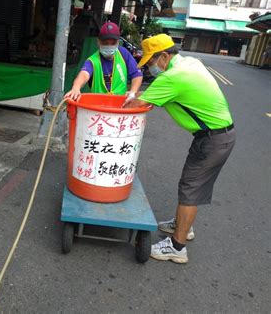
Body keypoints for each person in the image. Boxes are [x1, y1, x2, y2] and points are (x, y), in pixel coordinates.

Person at [125, 34, 236, 264]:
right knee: (190, 184)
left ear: (165, 56)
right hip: (218, 135)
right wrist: (146, 97)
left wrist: (133, 96)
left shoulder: (172, 78)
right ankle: (182, 226)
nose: (150, 69)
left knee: (190, 189)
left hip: (212, 139)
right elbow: (162, 97)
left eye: (152, 62)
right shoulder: (190, 63)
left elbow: (139, 104)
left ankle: (177, 246)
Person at [64, 21, 143, 102]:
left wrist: (133, 92)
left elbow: (136, 74)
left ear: (118, 42)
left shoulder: (123, 54)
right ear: (98, 42)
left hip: (121, 105)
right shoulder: (92, 61)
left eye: (113, 43)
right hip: (99, 107)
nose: (109, 46)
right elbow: (84, 74)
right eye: (105, 43)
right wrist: (76, 88)